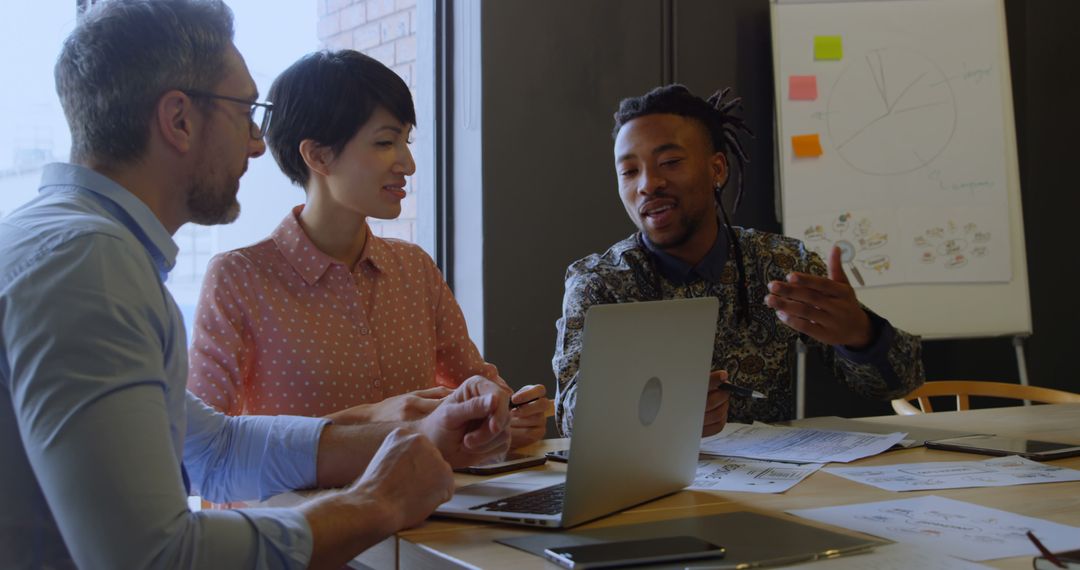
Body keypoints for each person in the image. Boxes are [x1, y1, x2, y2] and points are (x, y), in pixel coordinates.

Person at [0, 1, 510, 568]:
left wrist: (425, 436)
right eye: (244, 111)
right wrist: (376, 503)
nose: (257, 143)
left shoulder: (82, 250)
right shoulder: (88, 267)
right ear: (179, 120)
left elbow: (213, 449)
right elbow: (156, 559)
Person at [187, 49, 549, 448]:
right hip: (301, 512)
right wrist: (374, 423)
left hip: (434, 508)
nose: (407, 164)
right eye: (385, 142)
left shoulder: (414, 268)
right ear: (318, 155)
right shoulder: (238, 279)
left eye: (405, 141)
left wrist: (508, 414)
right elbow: (204, 452)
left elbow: (477, 388)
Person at [553, 84, 925, 438]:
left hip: (773, 482)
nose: (648, 184)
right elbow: (570, 414)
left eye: (669, 161)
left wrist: (861, 335)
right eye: (630, 171)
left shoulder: (781, 264)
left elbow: (903, 382)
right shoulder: (599, 282)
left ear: (717, 169)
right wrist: (659, 408)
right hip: (646, 486)